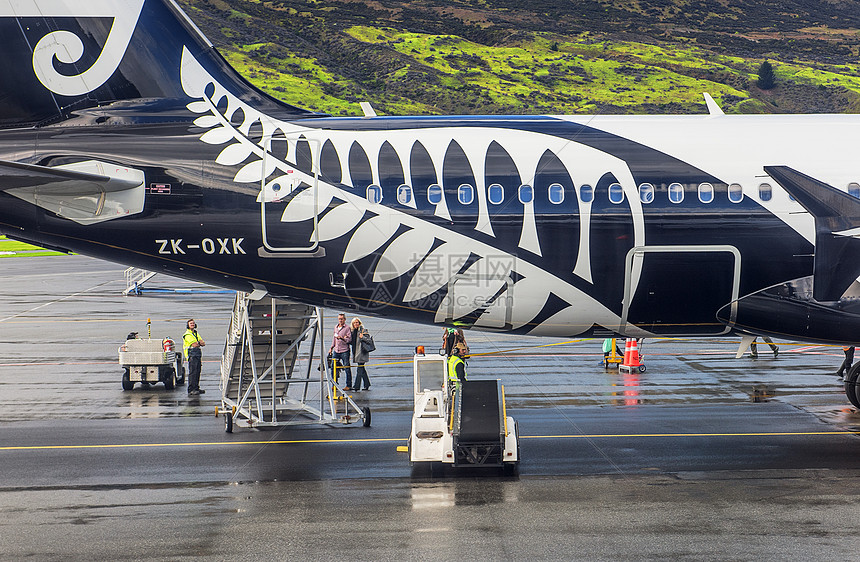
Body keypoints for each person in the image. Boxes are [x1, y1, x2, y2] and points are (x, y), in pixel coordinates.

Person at [182, 318, 206, 395]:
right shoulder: (187, 334)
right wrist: (199, 343)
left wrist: (198, 343)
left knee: (198, 371)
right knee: (193, 372)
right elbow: (194, 344)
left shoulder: (195, 333)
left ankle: (196, 388)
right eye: (190, 323)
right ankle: (191, 389)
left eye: (193, 323)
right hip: (192, 355)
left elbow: (203, 343)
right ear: (188, 325)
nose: (192, 324)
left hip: (197, 354)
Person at [330, 312, 352, 390]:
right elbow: (334, 338)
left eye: (342, 319)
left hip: (344, 350)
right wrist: (331, 347)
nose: (340, 320)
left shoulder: (347, 328)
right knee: (333, 367)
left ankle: (348, 385)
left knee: (346, 367)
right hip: (336, 350)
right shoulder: (335, 327)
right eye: (339, 319)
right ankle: (334, 384)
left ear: (344, 319)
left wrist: (342, 338)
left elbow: (349, 339)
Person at [350, 317, 372, 391]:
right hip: (356, 352)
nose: (356, 324)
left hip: (362, 353)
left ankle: (356, 386)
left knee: (359, 369)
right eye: (354, 323)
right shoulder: (353, 332)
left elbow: (369, 340)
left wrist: (363, 337)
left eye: (357, 322)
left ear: (359, 323)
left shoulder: (363, 330)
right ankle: (367, 384)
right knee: (362, 368)